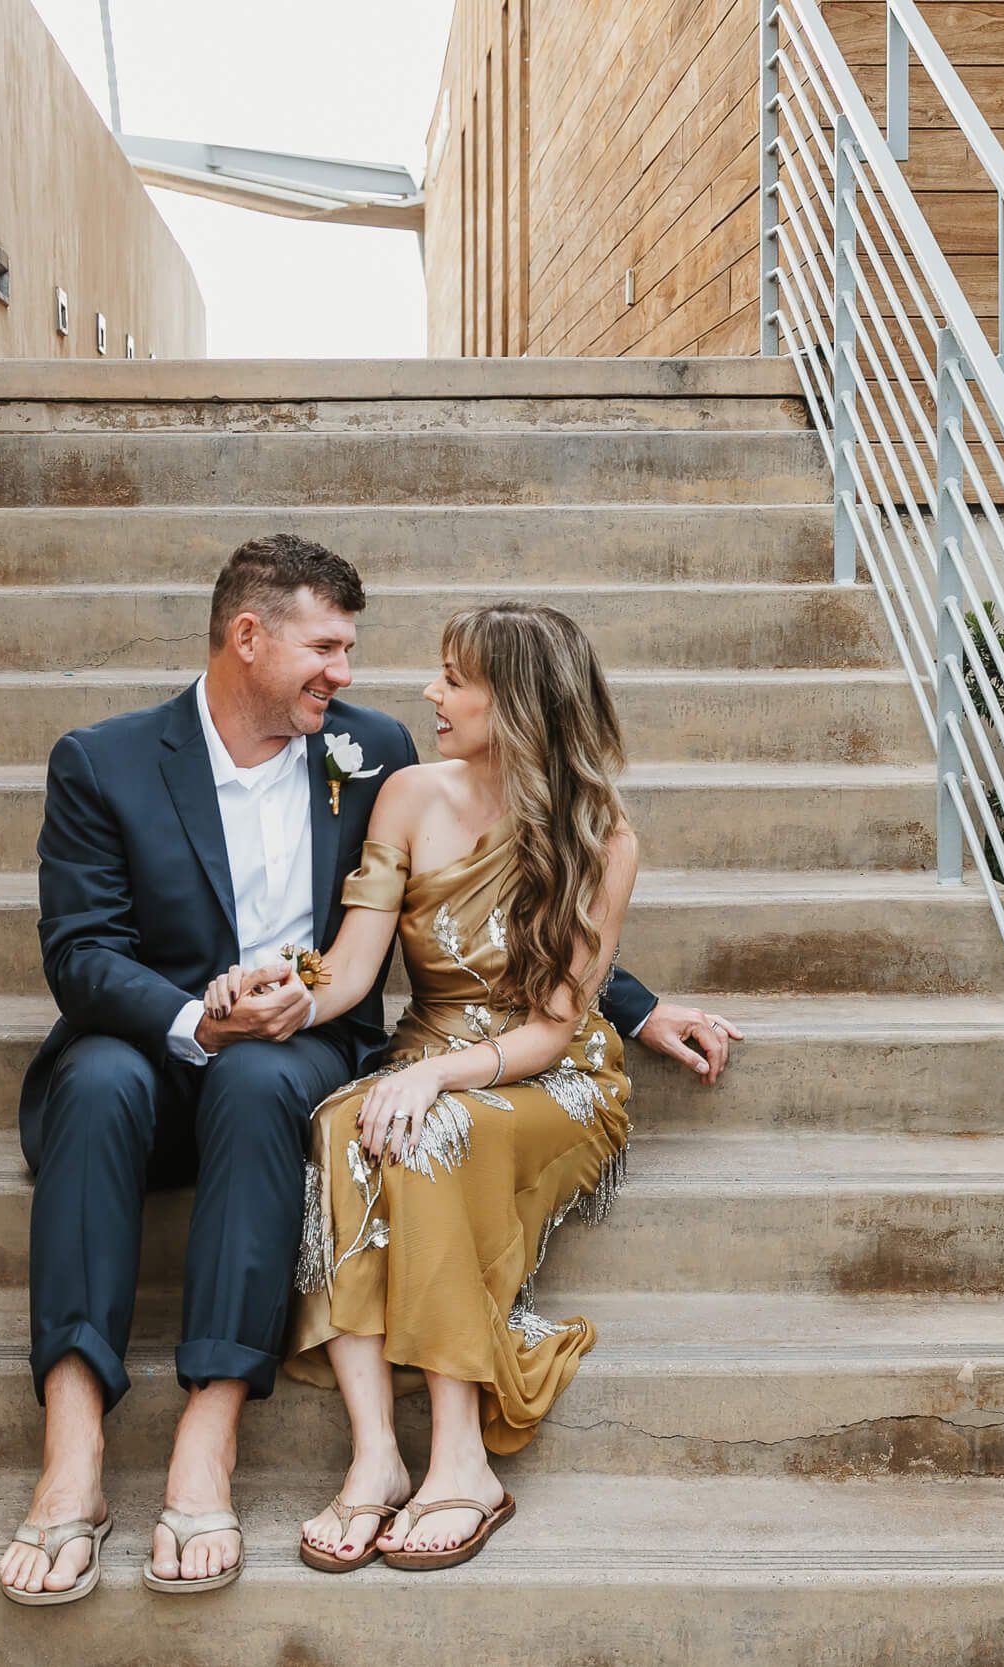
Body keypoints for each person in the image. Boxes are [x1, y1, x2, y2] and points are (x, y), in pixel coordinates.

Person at [0, 540, 739, 1604]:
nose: (348, 672)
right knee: (98, 1083)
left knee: (268, 1088)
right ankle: (70, 1455)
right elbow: (79, 954)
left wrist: (638, 1005)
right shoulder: (102, 761)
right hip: (157, 1042)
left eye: (350, 649)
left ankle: (208, 1440)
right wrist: (200, 1019)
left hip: (304, 1052)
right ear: (248, 637)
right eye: (327, 647)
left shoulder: (369, 749)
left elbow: (517, 905)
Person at [205, 601, 639, 1575]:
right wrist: (287, 991)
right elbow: (351, 967)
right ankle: (375, 1455)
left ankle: (462, 1460)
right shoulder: (405, 795)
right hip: (430, 1051)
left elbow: (552, 1027)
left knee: (433, 1130)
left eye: (455, 678)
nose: (430, 693)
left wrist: (436, 1074)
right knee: (343, 1123)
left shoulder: (601, 837)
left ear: (516, 701)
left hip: (550, 1073)